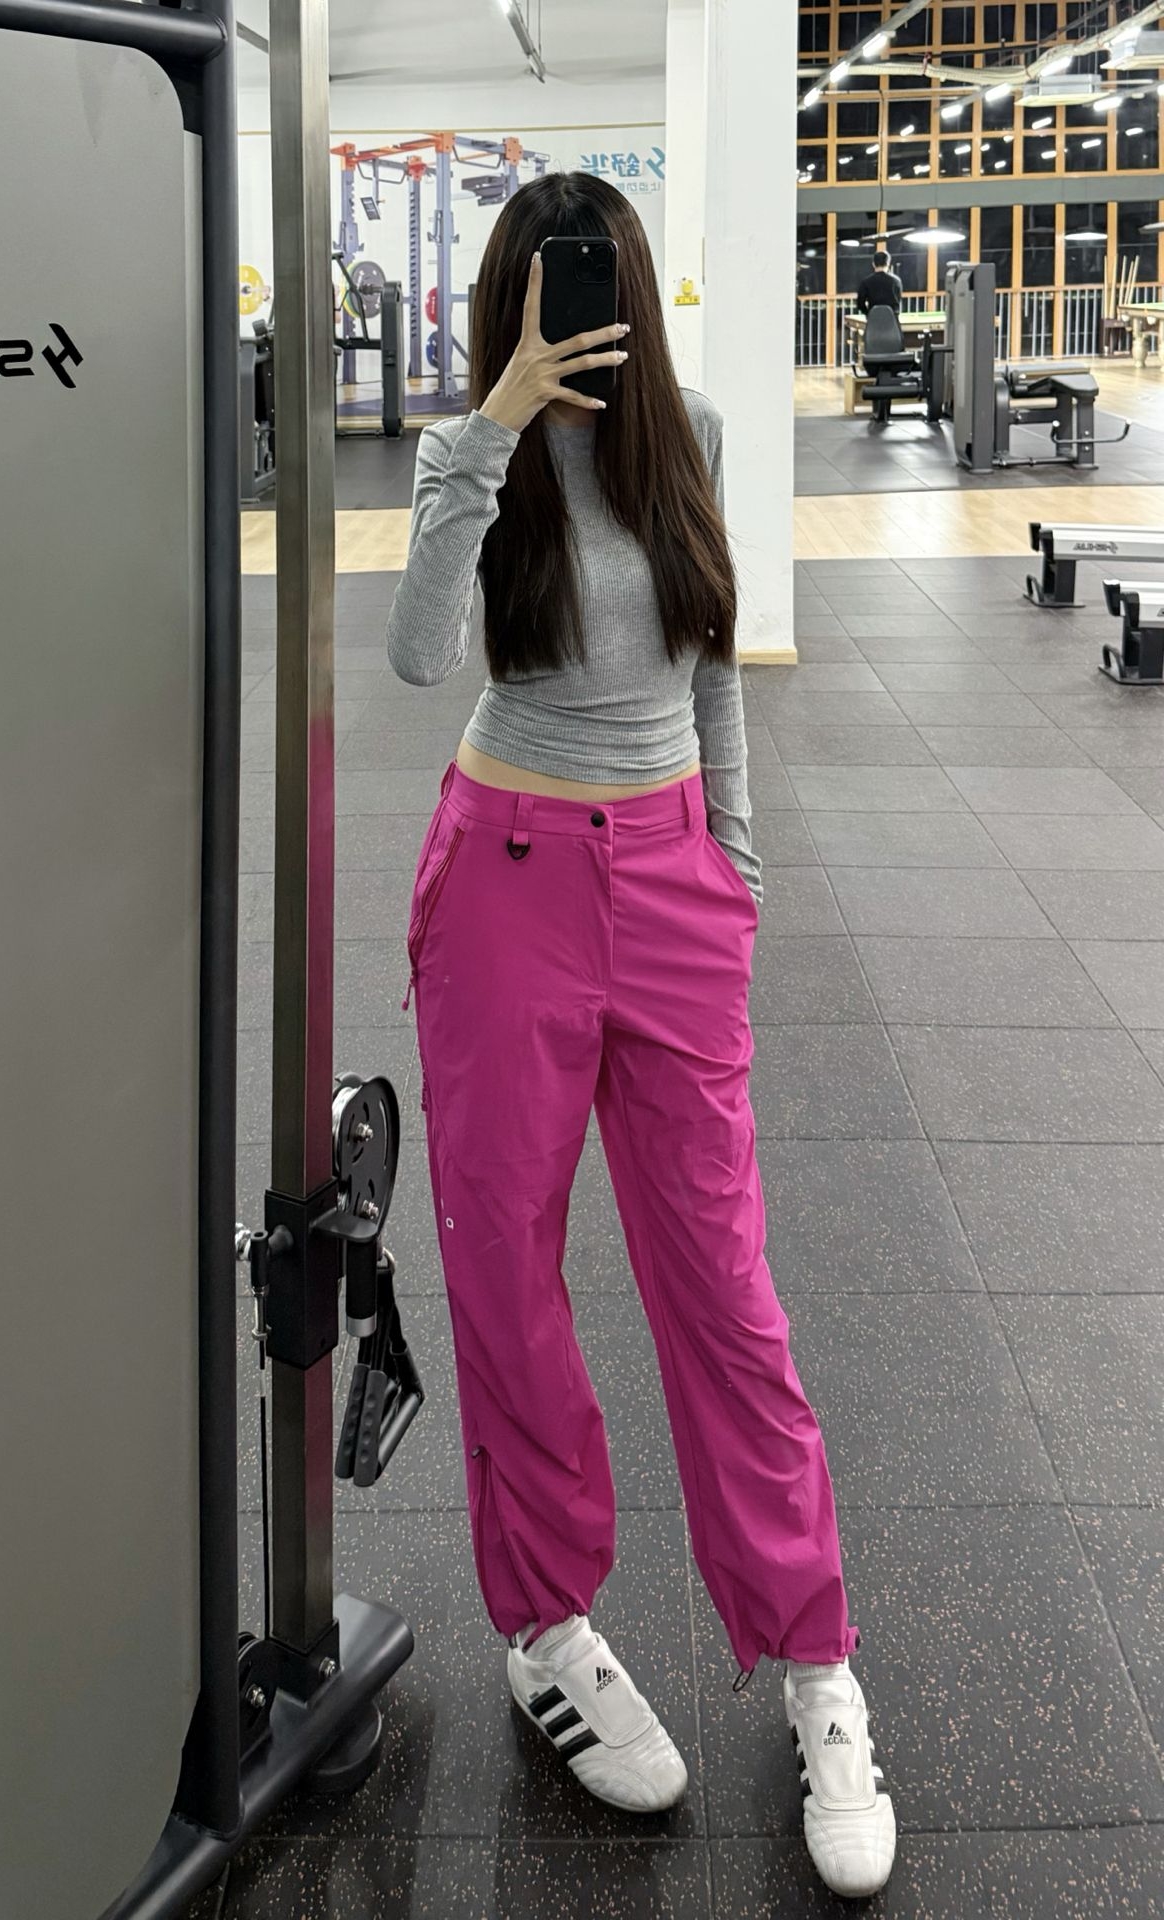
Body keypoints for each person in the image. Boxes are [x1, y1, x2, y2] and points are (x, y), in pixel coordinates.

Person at [384, 171, 896, 1903]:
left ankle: (815, 1659)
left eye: (594, 279)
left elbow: (713, 658)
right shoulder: (479, 457)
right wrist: (491, 426)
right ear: (511, 302)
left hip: (673, 884)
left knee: (724, 1288)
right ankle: (549, 1632)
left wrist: (732, 864)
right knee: (509, 1279)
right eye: (550, 286)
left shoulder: (701, 435)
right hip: (506, 884)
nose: (577, 308)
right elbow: (414, 658)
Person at [856, 249, 902, 315]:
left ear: (873, 264)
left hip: (873, 318)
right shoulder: (896, 281)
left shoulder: (866, 282)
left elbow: (860, 304)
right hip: (892, 319)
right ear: (888, 263)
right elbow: (898, 300)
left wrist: (868, 314)